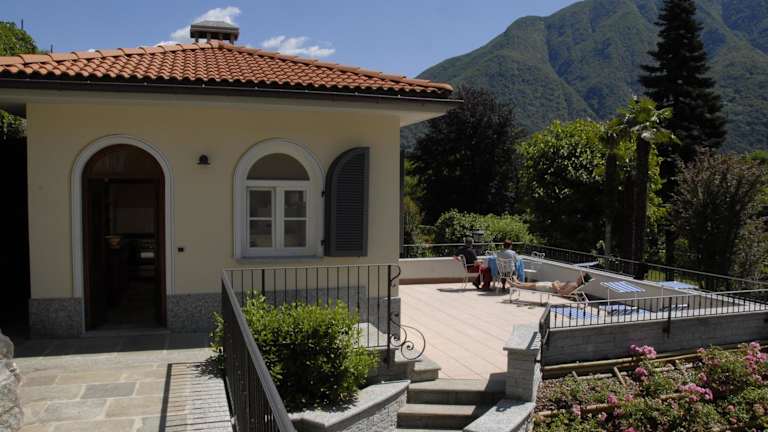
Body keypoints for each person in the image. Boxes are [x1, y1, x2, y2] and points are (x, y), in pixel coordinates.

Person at [511, 273, 593, 296]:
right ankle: (518, 283)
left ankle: (516, 285)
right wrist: (556, 283)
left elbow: (561, 293)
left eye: (580, 276)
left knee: (532, 286)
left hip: (550, 288)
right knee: (534, 283)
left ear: (582, 279)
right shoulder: (574, 284)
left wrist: (555, 284)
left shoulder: (574, 286)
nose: (579, 276)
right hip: (551, 285)